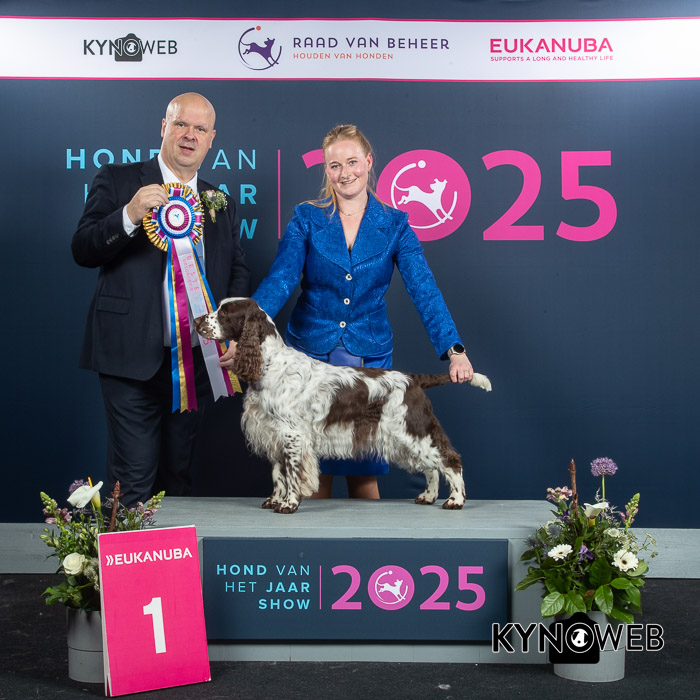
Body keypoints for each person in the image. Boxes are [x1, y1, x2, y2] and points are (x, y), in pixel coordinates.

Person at [252, 124, 473, 500]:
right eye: (335, 165)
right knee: (312, 470)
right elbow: (281, 279)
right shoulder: (306, 218)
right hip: (310, 357)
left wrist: (454, 349)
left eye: (352, 162)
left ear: (369, 162)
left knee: (364, 475)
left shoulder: (396, 225)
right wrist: (249, 330)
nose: (345, 173)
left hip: (369, 358)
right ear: (326, 170)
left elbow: (424, 290)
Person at [72, 92, 250, 507]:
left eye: (200, 129)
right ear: (164, 127)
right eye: (181, 124)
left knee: (177, 482)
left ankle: (169, 554)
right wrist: (129, 215)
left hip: (197, 364)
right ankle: (122, 552)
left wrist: (234, 331)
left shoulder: (220, 202)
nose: (190, 135)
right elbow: (83, 249)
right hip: (129, 359)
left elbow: (236, 270)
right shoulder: (118, 180)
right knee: (132, 481)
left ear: (211, 139)